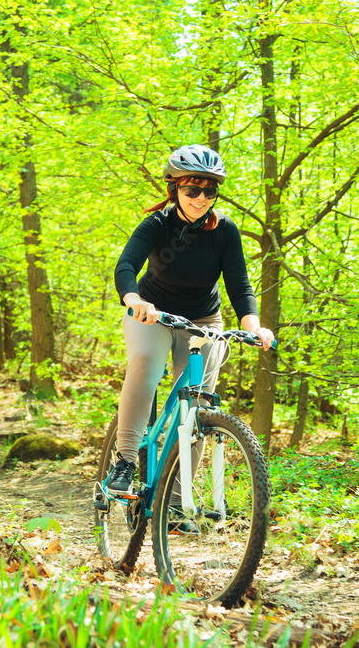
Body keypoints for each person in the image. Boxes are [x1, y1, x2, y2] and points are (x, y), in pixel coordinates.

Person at [107, 144, 274, 495]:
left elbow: (239, 284)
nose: (201, 198)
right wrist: (134, 299)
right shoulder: (157, 224)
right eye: (192, 190)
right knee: (146, 364)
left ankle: (179, 495)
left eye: (209, 191)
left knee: (197, 403)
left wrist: (253, 325)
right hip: (152, 314)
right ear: (175, 190)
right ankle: (124, 460)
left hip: (203, 319)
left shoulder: (225, 231)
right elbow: (126, 266)